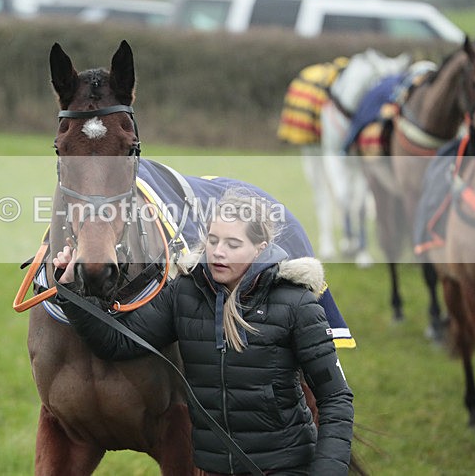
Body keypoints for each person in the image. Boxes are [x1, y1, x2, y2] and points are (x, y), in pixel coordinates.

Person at [54, 191, 354, 475]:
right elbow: (118, 343)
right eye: (212, 240)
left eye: (233, 245)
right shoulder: (184, 293)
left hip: (284, 467)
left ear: (260, 249)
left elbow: (336, 398)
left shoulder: (297, 304)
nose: (218, 253)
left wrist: (328, 470)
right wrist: (71, 292)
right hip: (213, 469)